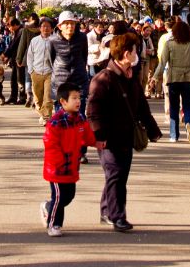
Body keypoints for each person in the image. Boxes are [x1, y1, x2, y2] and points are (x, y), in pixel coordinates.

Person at [86, 32, 162, 233]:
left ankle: (106, 210)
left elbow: (141, 106)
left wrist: (153, 130)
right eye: (136, 50)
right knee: (116, 175)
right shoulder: (103, 79)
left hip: (126, 135)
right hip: (109, 138)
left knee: (117, 176)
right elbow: (93, 112)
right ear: (127, 54)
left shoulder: (131, 77)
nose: (138, 53)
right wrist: (99, 136)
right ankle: (116, 215)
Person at [40, 83, 97, 237]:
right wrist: (59, 161)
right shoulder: (56, 121)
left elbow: (87, 135)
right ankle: (54, 224)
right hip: (57, 168)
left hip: (72, 167)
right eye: (74, 98)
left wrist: (97, 142)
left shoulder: (79, 119)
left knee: (68, 196)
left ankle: (48, 207)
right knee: (58, 197)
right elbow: (50, 143)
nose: (78, 101)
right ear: (63, 102)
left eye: (79, 98)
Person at [153, 20, 190, 143]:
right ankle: (188, 124)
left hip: (174, 77)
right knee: (188, 106)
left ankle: (174, 135)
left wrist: (155, 77)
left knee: (174, 107)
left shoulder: (169, 44)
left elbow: (163, 62)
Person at [49, 12, 89, 107]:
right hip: (60, 81)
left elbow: (84, 56)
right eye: (66, 23)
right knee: (61, 117)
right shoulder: (53, 40)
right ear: (60, 26)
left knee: (79, 115)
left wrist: (80, 68)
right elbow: (51, 58)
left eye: (72, 23)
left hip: (79, 80)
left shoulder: (82, 37)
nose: (70, 26)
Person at [27, 17, 55, 122]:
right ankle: (42, 112)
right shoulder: (34, 41)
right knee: (38, 98)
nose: (46, 28)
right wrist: (31, 70)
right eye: (43, 26)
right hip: (36, 72)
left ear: (52, 29)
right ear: (40, 28)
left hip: (50, 73)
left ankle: (47, 118)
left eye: (48, 26)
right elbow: (30, 56)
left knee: (48, 98)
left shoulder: (55, 40)